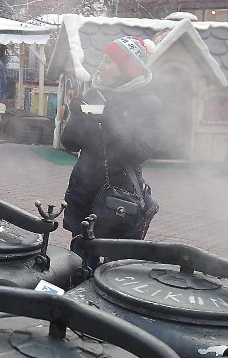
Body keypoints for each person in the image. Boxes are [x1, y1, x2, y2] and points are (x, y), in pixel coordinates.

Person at [61, 36, 162, 268]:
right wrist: (76, 115)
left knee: (116, 272)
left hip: (119, 201)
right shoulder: (94, 95)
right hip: (83, 193)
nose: (100, 66)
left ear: (126, 67)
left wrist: (109, 119)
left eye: (108, 61)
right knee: (79, 264)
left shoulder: (149, 103)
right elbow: (70, 144)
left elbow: (138, 152)